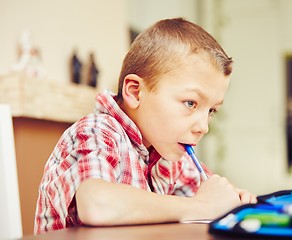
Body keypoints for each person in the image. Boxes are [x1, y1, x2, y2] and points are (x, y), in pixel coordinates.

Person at [34, 17, 257, 234]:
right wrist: (202, 206)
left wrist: (232, 201)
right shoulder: (95, 131)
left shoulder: (170, 154)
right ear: (135, 92)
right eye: (190, 103)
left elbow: (210, 197)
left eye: (211, 111)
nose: (203, 127)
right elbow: (96, 204)